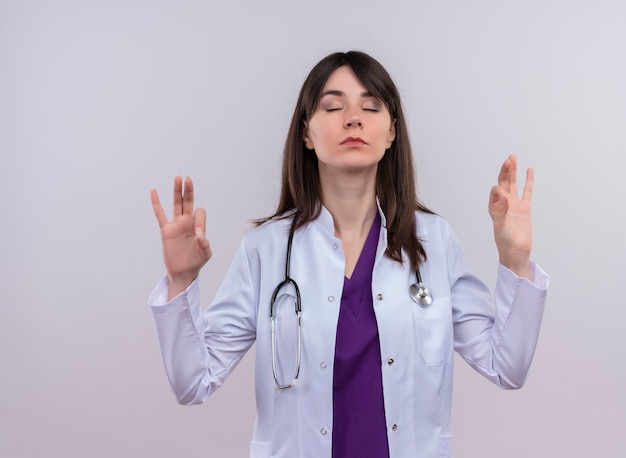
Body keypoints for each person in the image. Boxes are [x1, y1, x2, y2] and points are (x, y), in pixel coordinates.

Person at [148, 51, 548, 458]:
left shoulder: (433, 243)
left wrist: (515, 261)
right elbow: (193, 382)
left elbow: (506, 366)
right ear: (307, 132)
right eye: (333, 106)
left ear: (392, 131)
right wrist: (182, 281)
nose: (353, 118)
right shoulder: (266, 250)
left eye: (371, 106)